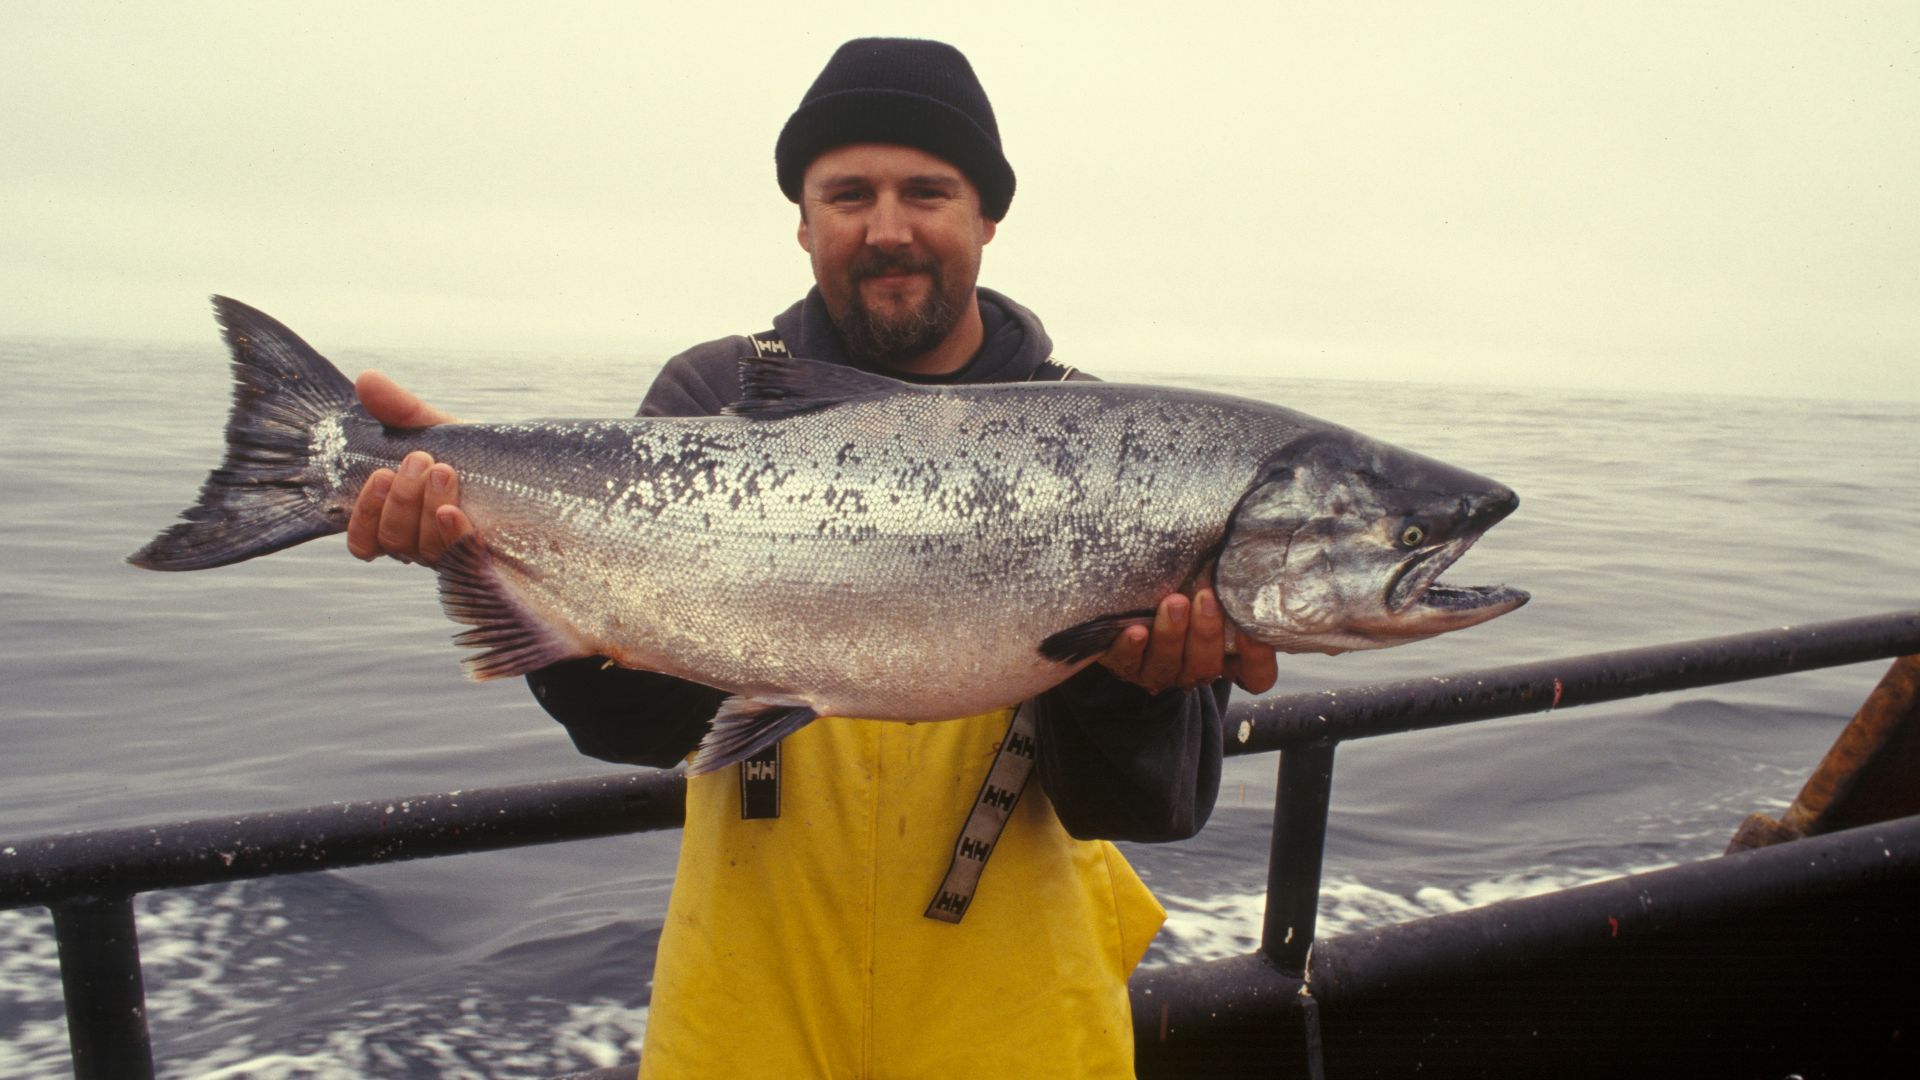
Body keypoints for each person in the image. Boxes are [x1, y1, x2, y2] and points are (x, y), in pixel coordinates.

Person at [343, 37, 1278, 1079]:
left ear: (988, 217)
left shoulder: (1113, 444)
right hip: (750, 1008)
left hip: (1017, 1018)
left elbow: (1154, 810)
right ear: (802, 219)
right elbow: (631, 729)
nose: (888, 229)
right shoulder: (714, 400)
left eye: (928, 191)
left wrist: (1135, 688)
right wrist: (485, 536)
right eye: (848, 194)